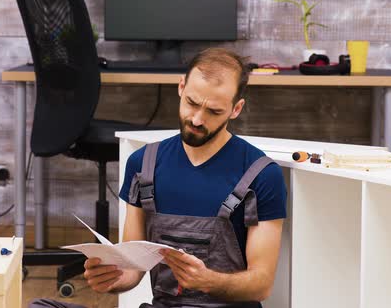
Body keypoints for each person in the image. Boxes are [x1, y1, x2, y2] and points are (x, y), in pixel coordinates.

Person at [83, 48, 287, 308]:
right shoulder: (142, 164)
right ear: (181, 87)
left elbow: (262, 284)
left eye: (214, 111)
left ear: (236, 109)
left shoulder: (262, 174)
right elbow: (133, 269)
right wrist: (113, 279)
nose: (198, 119)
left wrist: (208, 281)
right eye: (192, 103)